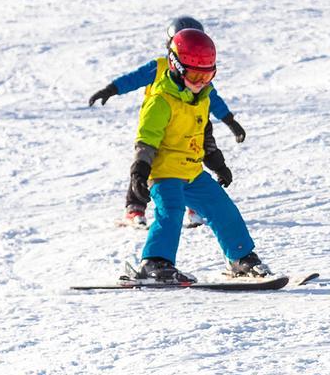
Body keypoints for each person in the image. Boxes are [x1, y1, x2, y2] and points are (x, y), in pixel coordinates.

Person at [130, 28, 273, 282]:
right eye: (195, 75)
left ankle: (241, 258)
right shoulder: (161, 101)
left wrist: (218, 165)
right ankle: (154, 263)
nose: (200, 82)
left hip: (192, 172)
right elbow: (147, 140)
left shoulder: (202, 98)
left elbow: (204, 136)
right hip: (164, 173)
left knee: (222, 209)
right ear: (175, 66)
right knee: (170, 211)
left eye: (207, 76)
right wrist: (139, 173)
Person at [88, 16, 246, 228]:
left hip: (188, 125)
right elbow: (133, 78)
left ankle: (194, 207)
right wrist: (111, 89)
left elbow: (212, 100)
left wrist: (230, 121)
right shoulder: (160, 66)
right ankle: (135, 208)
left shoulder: (198, 75)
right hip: (158, 123)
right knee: (146, 164)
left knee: (190, 160)